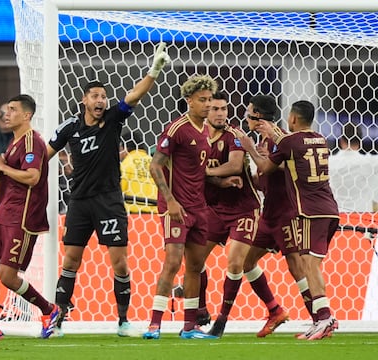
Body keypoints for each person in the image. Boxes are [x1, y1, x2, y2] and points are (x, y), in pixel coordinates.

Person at [48, 43, 171, 337]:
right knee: (70, 261)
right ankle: (58, 320)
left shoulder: (113, 121)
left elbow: (134, 95)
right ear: (84, 100)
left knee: (120, 263)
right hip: (79, 201)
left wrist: (153, 71)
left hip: (109, 201)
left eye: (104, 96)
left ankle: (123, 321)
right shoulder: (69, 128)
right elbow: (43, 156)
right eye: (95, 96)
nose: (101, 100)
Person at [0, 94, 60, 340]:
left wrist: (2, 166)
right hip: (4, 211)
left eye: (13, 109)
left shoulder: (32, 143)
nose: (7, 113)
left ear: (27, 115)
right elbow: (6, 174)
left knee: (7, 276)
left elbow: (32, 177)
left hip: (22, 216)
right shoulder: (15, 142)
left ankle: (51, 310)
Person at [239, 100, 340, 340]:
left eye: (250, 115)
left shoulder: (284, 140)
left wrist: (250, 149)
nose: (246, 119)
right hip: (290, 212)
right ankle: (286, 312)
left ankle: (322, 318)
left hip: (300, 212)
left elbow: (272, 164)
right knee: (250, 261)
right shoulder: (317, 139)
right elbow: (269, 172)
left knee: (305, 266)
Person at [143, 74, 227, 340]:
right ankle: (154, 324)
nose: (207, 105)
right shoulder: (177, 128)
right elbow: (155, 165)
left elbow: (198, 171)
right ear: (189, 101)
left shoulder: (205, 130)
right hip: (176, 207)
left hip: (198, 207)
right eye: (202, 100)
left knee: (195, 267)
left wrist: (223, 182)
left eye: (210, 100)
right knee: (172, 262)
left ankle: (189, 327)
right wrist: (170, 201)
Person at [199, 91, 262, 337]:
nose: (220, 113)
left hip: (244, 209)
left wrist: (203, 172)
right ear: (205, 111)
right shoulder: (199, 138)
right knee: (194, 259)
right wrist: (215, 180)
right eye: (215, 109)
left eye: (223, 109)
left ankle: (222, 320)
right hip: (216, 209)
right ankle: (201, 309)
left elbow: (236, 166)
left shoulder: (236, 135)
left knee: (236, 262)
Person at [328, 122, 378, 213]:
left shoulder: (329, 162)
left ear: (341, 141)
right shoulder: (369, 162)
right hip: (362, 221)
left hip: (337, 220)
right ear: (360, 142)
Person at [119, 130, 158, 214]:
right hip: (156, 216)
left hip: (134, 215)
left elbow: (118, 192)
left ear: (124, 147)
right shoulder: (154, 163)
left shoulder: (126, 164)